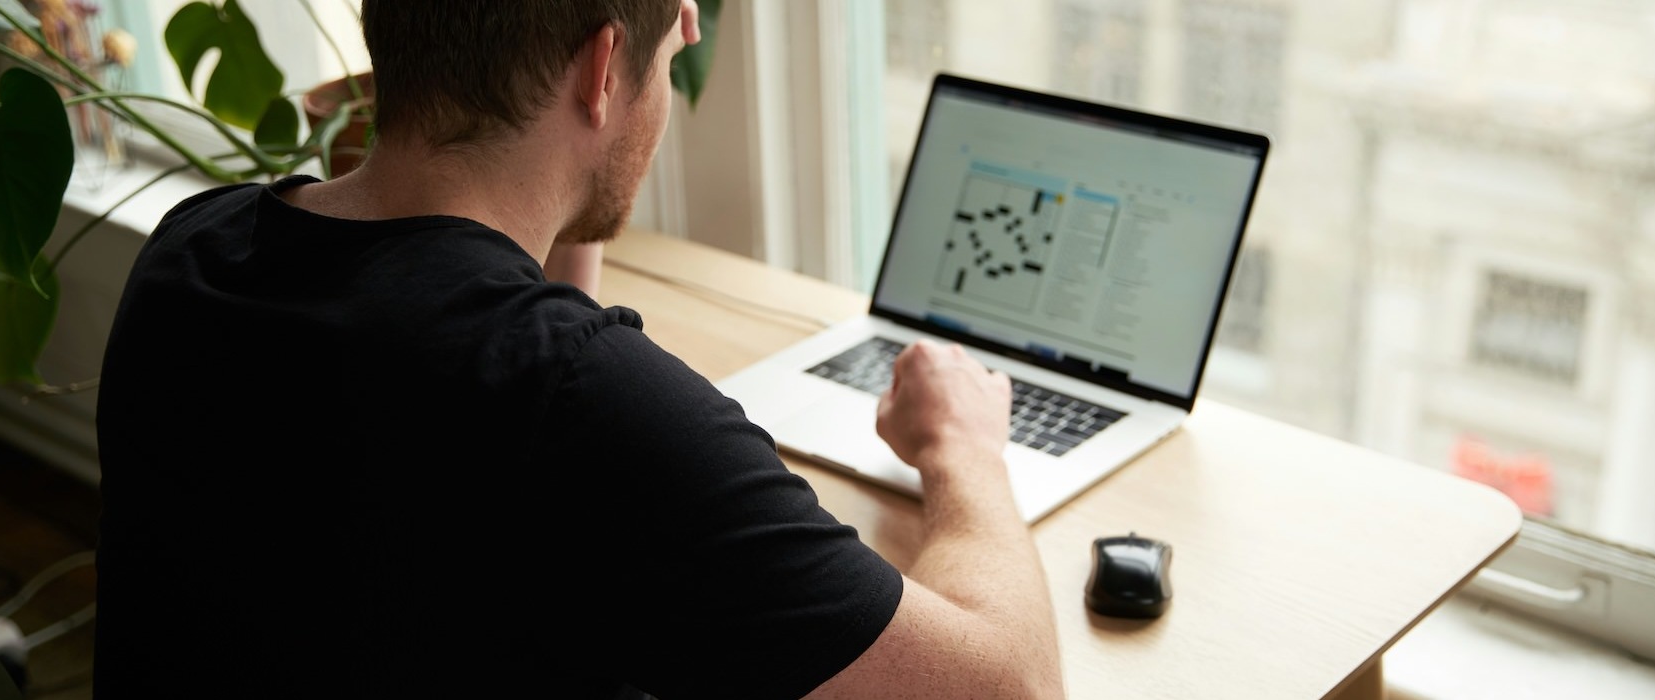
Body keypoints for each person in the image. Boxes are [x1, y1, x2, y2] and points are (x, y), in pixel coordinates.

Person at [92, 1, 1063, 698]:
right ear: (604, 68)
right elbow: (1010, 686)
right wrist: (962, 445)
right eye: (668, 54)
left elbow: (487, 365)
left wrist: (578, 166)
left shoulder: (196, 250)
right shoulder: (570, 401)